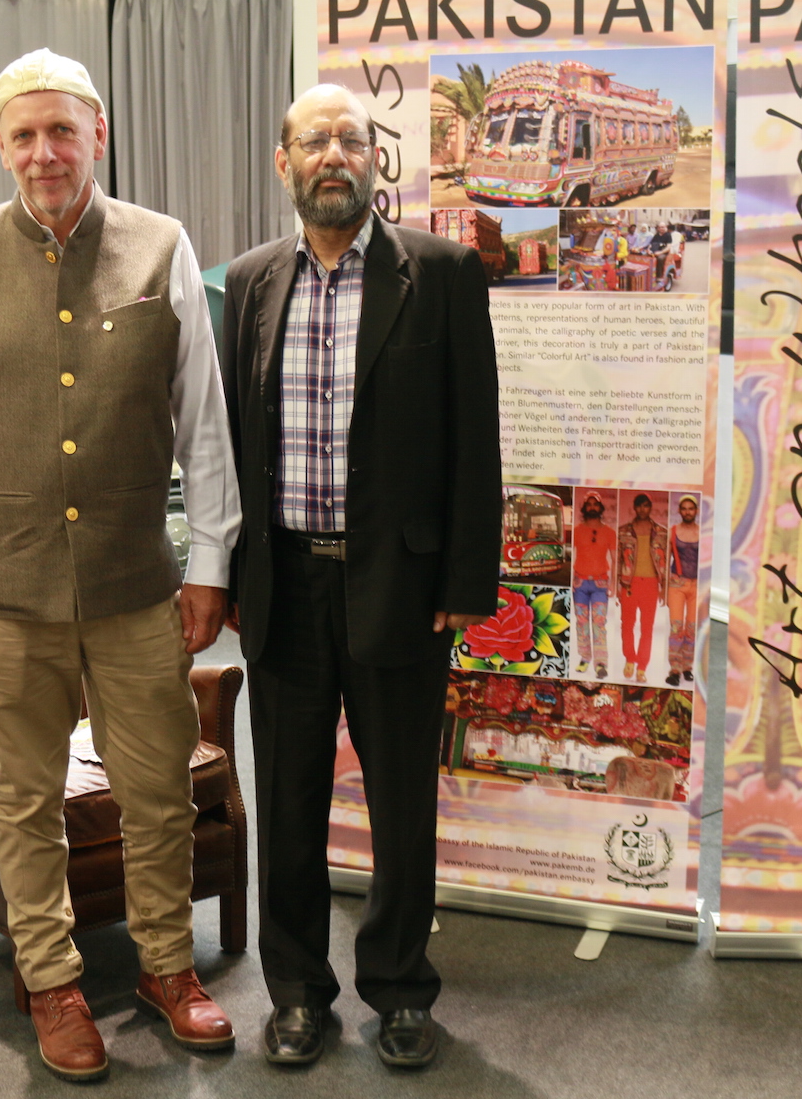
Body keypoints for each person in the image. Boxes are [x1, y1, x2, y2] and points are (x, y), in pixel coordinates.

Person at [0, 49, 241, 1083]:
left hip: (135, 588)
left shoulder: (160, 245)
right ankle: (52, 981)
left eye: (62, 132)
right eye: (25, 135)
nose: (44, 153)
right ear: (1, 146)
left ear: (98, 136)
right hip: (4, 594)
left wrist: (210, 563)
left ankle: (168, 966)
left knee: (157, 790)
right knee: (24, 800)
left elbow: (203, 424)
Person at [219, 84, 500, 1070]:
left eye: (350, 139)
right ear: (284, 163)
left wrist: (464, 582)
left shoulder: (441, 273)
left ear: (375, 159)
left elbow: (474, 436)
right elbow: (232, 443)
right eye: (313, 141)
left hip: (402, 589)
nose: (332, 154)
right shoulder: (249, 283)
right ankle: (297, 993)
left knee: (400, 807)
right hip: (284, 585)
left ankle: (400, 988)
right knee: (288, 802)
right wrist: (228, 573)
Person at [618, 493, 668, 682]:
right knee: (627, 624)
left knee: (647, 628)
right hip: (629, 584)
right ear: (634, 507)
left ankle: (642, 667)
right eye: (639, 506)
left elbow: (665, 561)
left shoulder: (661, 532)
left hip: (651, 584)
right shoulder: (624, 531)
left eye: (646, 505)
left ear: (650, 507)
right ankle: (630, 659)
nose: (642, 509)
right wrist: (618, 586)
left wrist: (664, 588)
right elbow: (619, 561)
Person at [572, 492, 616, 680]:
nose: (592, 507)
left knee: (599, 623)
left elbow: (615, 559)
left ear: (600, 508)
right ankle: (585, 657)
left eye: (595, 504)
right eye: (589, 504)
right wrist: (571, 580)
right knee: (581, 623)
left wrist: (613, 583)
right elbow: (570, 555)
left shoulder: (609, 532)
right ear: (584, 508)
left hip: (600, 584)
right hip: (580, 584)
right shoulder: (577, 530)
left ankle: (601, 663)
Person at [664, 495, 700, 686]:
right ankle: (675, 670)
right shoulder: (673, 532)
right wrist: (664, 588)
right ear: (679, 511)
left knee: (692, 629)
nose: (687, 512)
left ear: (696, 511)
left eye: (690, 508)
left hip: (697, 585)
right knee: (676, 628)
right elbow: (666, 561)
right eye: (684, 508)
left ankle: (687, 667)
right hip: (677, 584)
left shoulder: (703, 532)